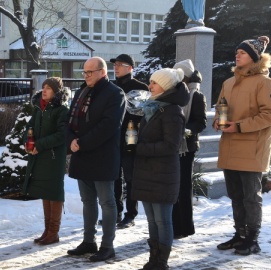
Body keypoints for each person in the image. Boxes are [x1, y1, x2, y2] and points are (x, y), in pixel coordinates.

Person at [214, 36, 271, 256]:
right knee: (236, 195)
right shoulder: (228, 82)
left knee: (251, 196)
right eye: (237, 51)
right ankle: (239, 234)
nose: (237, 55)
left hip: (252, 147)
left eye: (243, 52)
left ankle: (252, 238)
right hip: (230, 145)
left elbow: (269, 115)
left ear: (255, 58)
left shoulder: (265, 83)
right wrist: (218, 121)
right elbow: (221, 107)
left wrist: (238, 126)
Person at [66, 56, 126, 262]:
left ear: (103, 72)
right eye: (84, 72)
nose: (86, 76)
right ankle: (88, 241)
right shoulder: (83, 91)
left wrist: (81, 142)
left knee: (107, 202)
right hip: (82, 155)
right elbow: (70, 120)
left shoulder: (115, 93)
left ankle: (107, 246)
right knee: (87, 201)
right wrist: (72, 140)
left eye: (90, 72)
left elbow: (109, 126)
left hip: (102, 156)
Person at [132, 68, 190, 270]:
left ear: (164, 86)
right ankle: (153, 259)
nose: (150, 86)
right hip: (147, 172)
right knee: (151, 220)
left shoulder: (172, 111)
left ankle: (161, 262)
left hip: (163, 173)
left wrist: (140, 148)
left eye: (154, 83)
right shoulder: (153, 108)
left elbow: (171, 146)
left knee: (163, 220)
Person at [22, 77, 69, 245]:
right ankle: (47, 230)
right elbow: (30, 127)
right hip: (40, 155)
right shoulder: (39, 108)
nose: (44, 90)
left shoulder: (62, 110)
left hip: (53, 157)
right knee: (45, 192)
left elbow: (61, 135)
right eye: (43, 87)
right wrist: (27, 142)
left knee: (54, 192)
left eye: (48, 88)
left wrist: (40, 145)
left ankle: (54, 232)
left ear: (56, 92)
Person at [110, 54, 149, 229]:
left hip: (132, 135)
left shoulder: (140, 87)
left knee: (131, 176)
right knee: (114, 177)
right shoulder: (111, 86)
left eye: (120, 64)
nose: (116, 67)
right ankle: (116, 212)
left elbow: (143, 113)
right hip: (113, 136)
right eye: (115, 65)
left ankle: (130, 214)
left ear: (130, 68)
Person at [171, 59, 207, 239]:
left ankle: (184, 227)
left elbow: (201, 122)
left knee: (183, 187)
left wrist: (187, 130)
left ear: (185, 76)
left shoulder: (196, 96)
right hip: (172, 146)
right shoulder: (174, 92)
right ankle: (172, 225)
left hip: (186, 147)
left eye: (179, 74)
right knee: (172, 187)